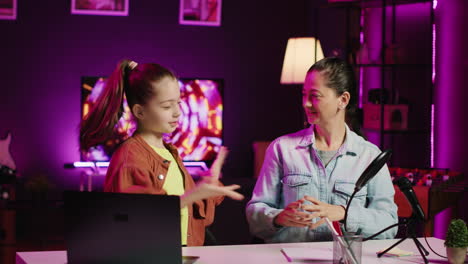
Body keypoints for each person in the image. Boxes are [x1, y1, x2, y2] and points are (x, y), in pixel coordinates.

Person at [80, 60, 244, 246]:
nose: (177, 113)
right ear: (139, 112)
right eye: (167, 106)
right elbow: (137, 218)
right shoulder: (130, 157)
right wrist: (193, 195)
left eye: (178, 103)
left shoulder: (170, 153)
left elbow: (192, 214)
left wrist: (208, 187)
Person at [246, 57, 397, 243]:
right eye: (304, 94)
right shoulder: (281, 149)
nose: (305, 103)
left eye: (314, 96)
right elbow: (255, 213)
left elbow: (389, 225)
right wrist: (277, 218)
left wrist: (343, 213)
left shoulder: (369, 156)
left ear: (343, 100)